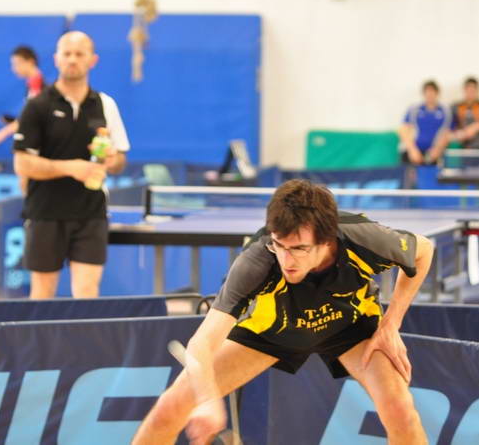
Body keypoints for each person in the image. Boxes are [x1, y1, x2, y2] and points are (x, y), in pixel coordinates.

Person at [133, 179, 434, 444]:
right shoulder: (258, 261)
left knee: (401, 411)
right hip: (271, 330)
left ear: (327, 240)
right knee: (168, 409)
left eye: (300, 249)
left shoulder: (363, 238)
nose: (287, 261)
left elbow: (424, 251)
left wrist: (391, 324)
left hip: (350, 325)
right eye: (280, 245)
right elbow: (201, 344)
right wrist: (208, 399)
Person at [12, 31, 129, 299]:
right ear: (56, 59)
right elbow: (22, 163)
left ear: (92, 60)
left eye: (79, 54)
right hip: (45, 212)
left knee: (87, 293)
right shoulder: (37, 106)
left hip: (90, 212)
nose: (72, 60)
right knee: (42, 295)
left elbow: (120, 159)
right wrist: (71, 168)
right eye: (67, 54)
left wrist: (113, 160)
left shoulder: (105, 104)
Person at [0, 45, 45, 148]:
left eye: (17, 64)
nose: (14, 69)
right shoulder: (31, 87)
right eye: (13, 65)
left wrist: (3, 133)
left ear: (31, 62)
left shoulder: (40, 88)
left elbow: (32, 119)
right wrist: (14, 121)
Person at [398, 80, 451, 165]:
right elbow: (403, 130)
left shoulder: (445, 111)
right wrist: (412, 150)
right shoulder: (414, 109)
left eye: (432, 92)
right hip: (414, 152)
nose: (429, 95)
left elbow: (447, 133)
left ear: (437, 93)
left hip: (434, 154)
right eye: (427, 92)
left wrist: (437, 149)